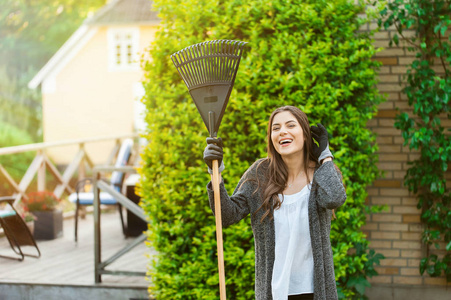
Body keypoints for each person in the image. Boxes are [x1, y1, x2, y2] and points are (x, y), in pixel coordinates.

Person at [203, 105, 347, 300]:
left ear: (304, 134)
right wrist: (216, 172)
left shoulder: (322, 174)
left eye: (290, 125)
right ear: (271, 138)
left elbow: (335, 198)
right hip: (274, 292)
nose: (283, 132)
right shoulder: (260, 173)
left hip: (315, 291)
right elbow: (227, 215)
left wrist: (325, 156)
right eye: (276, 128)